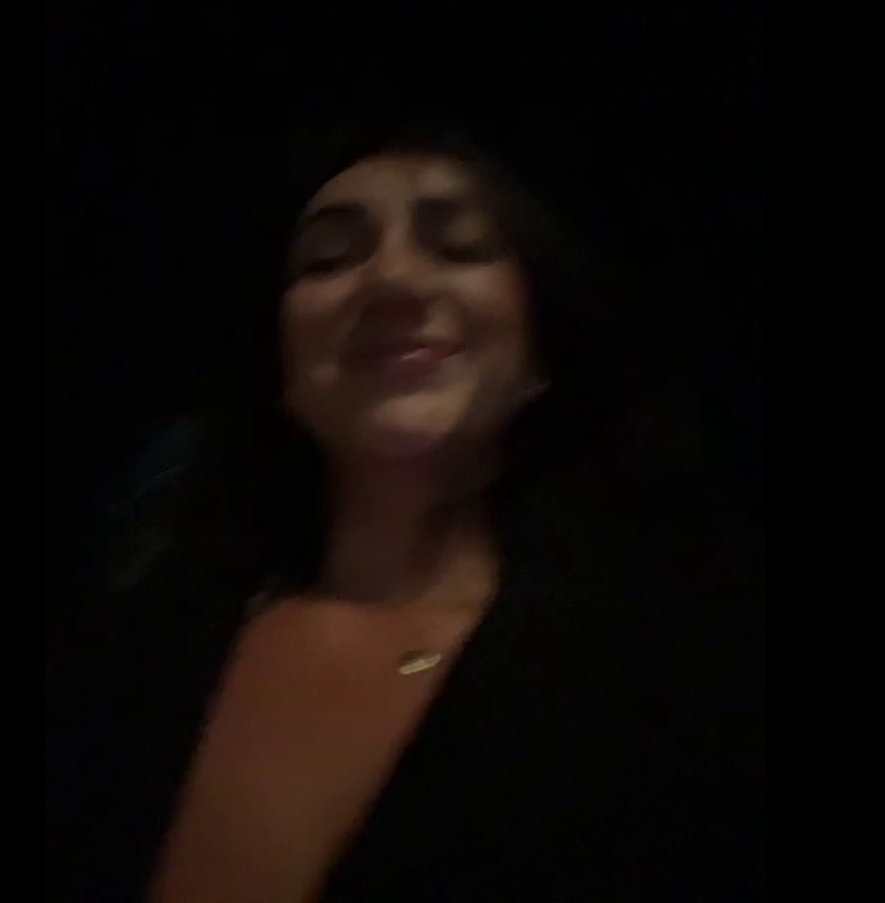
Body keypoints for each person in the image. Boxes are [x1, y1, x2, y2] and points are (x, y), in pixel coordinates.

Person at [55, 124, 758, 902]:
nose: (392, 279)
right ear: (281, 364)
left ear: (541, 354)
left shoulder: (677, 681)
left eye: (460, 248)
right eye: (328, 259)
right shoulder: (135, 631)